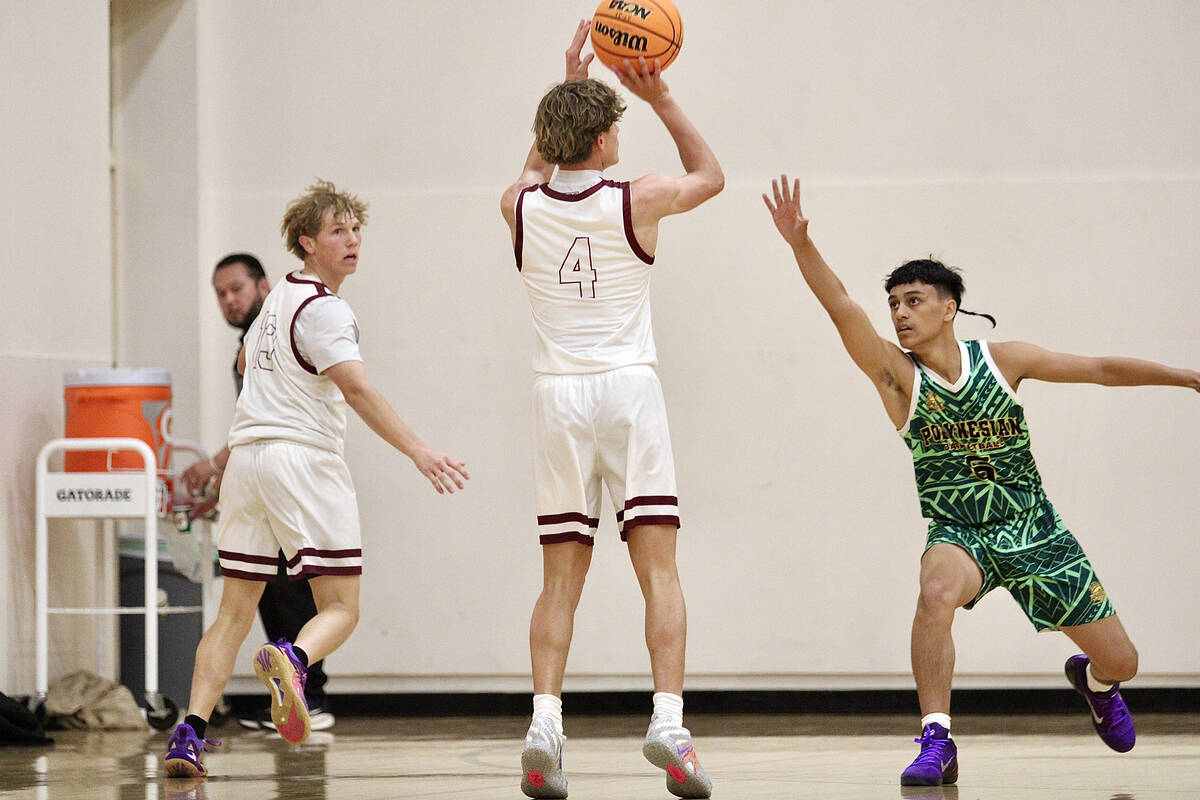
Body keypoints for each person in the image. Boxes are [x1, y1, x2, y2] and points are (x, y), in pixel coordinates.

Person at [761, 175, 1200, 787]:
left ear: (949, 308)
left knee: (1123, 660)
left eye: (913, 300)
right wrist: (800, 244)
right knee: (935, 593)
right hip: (960, 531)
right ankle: (936, 738)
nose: (899, 312)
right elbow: (840, 304)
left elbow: (1098, 368)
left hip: (1035, 527)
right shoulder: (896, 374)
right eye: (894, 303)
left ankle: (1095, 682)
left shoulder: (1004, 361)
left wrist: (1185, 376)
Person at [164, 180, 469, 778]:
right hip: (301, 462)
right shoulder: (325, 309)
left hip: (247, 465)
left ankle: (188, 734)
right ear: (307, 242)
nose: (353, 240)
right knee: (341, 607)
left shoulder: (272, 302)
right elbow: (356, 389)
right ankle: (293, 658)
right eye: (338, 231)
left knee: (232, 613)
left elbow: (250, 368)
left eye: (356, 229)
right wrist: (418, 451)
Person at [501, 21, 723, 800]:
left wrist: (564, 83)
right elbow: (712, 173)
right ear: (599, 140)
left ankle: (544, 726)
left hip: (556, 396)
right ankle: (667, 725)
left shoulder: (518, 207)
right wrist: (659, 95)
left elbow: (533, 168)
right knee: (657, 567)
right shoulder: (642, 198)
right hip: (627, 389)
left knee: (559, 578)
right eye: (616, 124)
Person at [179, 253, 335, 732]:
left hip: (289, 475)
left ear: (264, 286)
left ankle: (312, 694)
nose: (229, 301)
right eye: (221, 294)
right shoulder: (249, 342)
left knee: (297, 590)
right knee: (257, 594)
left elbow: (264, 424)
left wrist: (216, 464)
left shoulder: (277, 334)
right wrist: (221, 491)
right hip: (257, 477)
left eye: (236, 290)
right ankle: (279, 700)